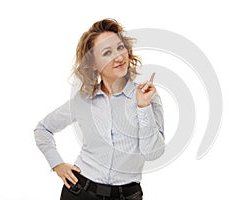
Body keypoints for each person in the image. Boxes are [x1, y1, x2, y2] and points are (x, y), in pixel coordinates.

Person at [34, 18, 165, 200]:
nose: (119, 57)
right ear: (94, 64)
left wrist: (143, 107)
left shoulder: (147, 96)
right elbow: (43, 129)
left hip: (127, 195)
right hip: (80, 191)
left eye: (120, 48)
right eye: (107, 52)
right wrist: (58, 165)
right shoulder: (83, 100)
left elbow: (153, 153)